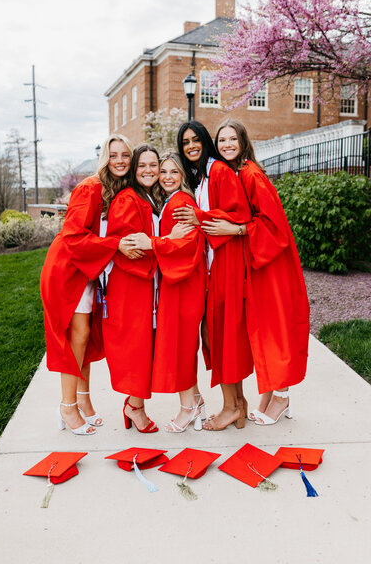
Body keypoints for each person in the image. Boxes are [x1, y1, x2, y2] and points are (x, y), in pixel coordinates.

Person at [207, 119, 310, 425]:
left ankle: (281, 397)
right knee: (264, 328)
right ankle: (270, 393)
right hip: (257, 261)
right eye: (221, 140)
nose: (226, 144)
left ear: (242, 142)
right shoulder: (234, 172)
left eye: (232, 139)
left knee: (274, 327)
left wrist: (235, 229)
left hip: (271, 262)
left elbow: (273, 226)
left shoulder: (251, 174)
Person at [40, 134, 137, 435]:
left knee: (85, 337)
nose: (119, 160)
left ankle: (83, 399)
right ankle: (67, 406)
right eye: (114, 155)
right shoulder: (90, 187)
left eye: (125, 155)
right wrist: (116, 245)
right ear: (104, 158)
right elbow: (73, 238)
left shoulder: (118, 188)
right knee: (77, 336)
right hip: (68, 269)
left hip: (89, 269)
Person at [103, 145, 191, 433]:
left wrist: (162, 241)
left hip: (147, 285)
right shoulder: (128, 199)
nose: (150, 170)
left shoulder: (150, 199)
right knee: (138, 350)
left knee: (146, 349)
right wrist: (168, 241)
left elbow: (147, 242)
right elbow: (131, 249)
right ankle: (135, 407)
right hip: (133, 286)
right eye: (143, 165)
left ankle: (135, 404)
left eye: (155, 165)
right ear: (134, 169)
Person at [173, 121, 253, 430]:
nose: (191, 145)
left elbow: (238, 215)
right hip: (213, 263)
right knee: (218, 335)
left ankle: (231, 406)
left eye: (196, 140)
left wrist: (199, 216)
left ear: (205, 141)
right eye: (185, 142)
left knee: (220, 336)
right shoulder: (202, 177)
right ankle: (239, 404)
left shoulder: (218, 171)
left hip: (226, 262)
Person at [126, 152, 206, 432]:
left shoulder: (181, 203)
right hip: (176, 285)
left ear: (183, 176)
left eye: (174, 172)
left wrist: (153, 243)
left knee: (182, 346)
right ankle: (195, 402)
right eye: (164, 171)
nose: (168, 176)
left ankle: (189, 407)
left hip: (185, 285)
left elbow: (186, 246)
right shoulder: (170, 202)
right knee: (181, 345)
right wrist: (163, 241)